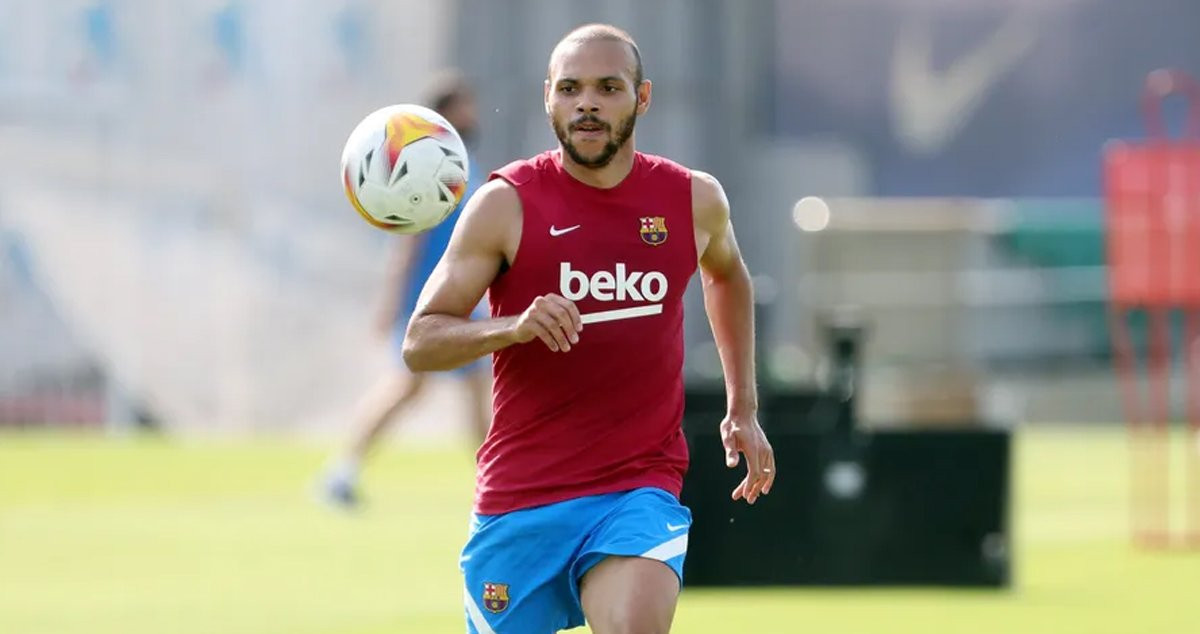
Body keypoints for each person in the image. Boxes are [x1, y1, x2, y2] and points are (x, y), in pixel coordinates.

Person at [403, 24, 775, 634]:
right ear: (549, 96)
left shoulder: (692, 200)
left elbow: (728, 277)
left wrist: (743, 406)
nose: (588, 104)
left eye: (609, 87)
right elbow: (420, 343)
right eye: (571, 88)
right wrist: (512, 327)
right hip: (521, 498)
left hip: (637, 487)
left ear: (642, 98)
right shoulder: (506, 203)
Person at [320, 70, 492, 509]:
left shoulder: (463, 162)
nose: (473, 112)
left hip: (462, 298)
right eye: (466, 105)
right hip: (429, 302)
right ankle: (342, 471)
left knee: (474, 390)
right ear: (448, 111)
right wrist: (391, 301)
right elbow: (409, 240)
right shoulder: (428, 161)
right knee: (408, 388)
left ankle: (493, 487)